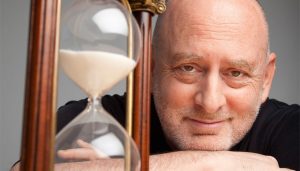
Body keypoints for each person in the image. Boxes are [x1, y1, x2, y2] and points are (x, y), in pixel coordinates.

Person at [12, 0, 299, 170]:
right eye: (188, 68)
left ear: (266, 79)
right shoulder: (89, 119)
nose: (210, 102)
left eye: (236, 73)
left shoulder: (290, 128)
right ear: (148, 69)